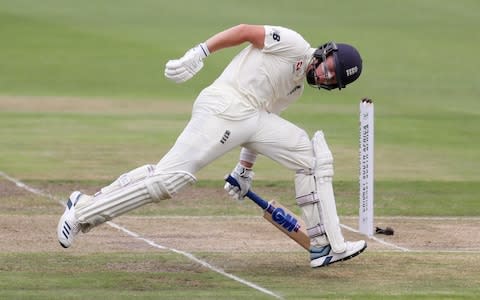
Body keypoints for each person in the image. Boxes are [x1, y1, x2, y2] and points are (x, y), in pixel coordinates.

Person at [57, 24, 366, 268]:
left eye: (332, 80)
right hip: (224, 105)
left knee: (308, 156)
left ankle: (323, 245)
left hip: (251, 116)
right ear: (326, 52)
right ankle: (83, 212)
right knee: (170, 180)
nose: (325, 76)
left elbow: (263, 122)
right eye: (329, 67)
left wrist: (244, 169)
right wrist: (199, 52)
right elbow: (245, 31)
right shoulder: (294, 44)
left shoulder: (296, 88)